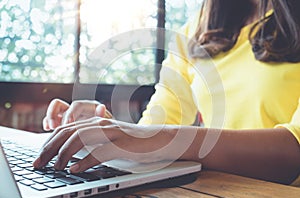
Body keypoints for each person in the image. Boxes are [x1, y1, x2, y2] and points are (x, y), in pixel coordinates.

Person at [33, 0, 300, 185]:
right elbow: (157, 131)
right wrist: (106, 128)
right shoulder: (198, 29)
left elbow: (294, 153)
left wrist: (155, 138)